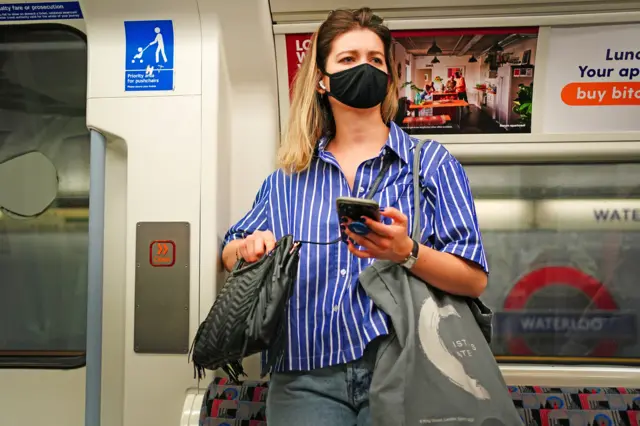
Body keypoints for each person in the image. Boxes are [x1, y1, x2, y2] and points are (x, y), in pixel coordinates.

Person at [220, 7, 488, 426]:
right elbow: (231, 249)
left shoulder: (432, 165)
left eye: (375, 60)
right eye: (348, 59)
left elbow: (474, 278)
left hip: (408, 369)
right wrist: (247, 248)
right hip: (304, 376)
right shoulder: (289, 178)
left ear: (388, 77)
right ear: (322, 81)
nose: (364, 68)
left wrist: (407, 251)